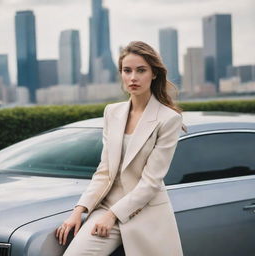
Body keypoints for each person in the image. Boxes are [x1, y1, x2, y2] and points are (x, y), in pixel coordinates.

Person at [55, 41, 184, 256]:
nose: (133, 77)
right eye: (127, 70)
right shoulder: (112, 112)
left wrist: (113, 215)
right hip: (106, 207)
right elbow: (104, 170)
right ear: (121, 74)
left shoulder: (169, 119)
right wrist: (79, 210)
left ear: (154, 74)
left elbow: (151, 182)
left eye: (141, 70)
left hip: (146, 212)